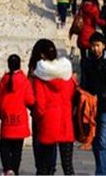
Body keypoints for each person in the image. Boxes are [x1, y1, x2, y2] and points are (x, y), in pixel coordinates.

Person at [29, 42, 77, 175]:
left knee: (45, 167)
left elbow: (40, 105)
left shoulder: (39, 77)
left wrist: (38, 120)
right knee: (68, 166)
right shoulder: (67, 74)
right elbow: (73, 96)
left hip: (48, 125)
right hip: (65, 123)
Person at [80, 33, 106, 176]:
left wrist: (100, 96)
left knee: (103, 142)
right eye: (93, 45)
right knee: (95, 143)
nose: (95, 48)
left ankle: (102, 173)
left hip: (105, 107)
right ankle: (101, 170)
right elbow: (84, 83)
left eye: (98, 45)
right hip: (90, 108)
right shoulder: (88, 62)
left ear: (103, 46)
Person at [0, 53, 35, 176]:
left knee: (4, 148)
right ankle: (14, 170)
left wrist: (2, 114)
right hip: (20, 121)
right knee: (17, 150)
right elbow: (30, 100)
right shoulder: (24, 80)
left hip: (7, 120)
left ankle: (7, 169)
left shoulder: (4, 79)